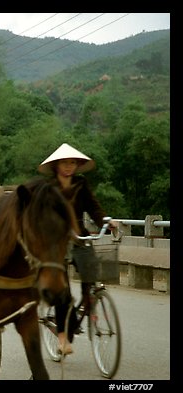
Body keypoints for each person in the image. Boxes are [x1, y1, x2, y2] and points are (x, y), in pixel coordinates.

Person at [38, 142, 118, 355]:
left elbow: (93, 207)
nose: (69, 167)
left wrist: (105, 222)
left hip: (79, 238)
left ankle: (86, 305)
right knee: (62, 289)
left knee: (90, 279)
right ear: (56, 165)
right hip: (57, 242)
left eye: (72, 163)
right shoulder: (48, 188)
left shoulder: (81, 184)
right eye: (65, 163)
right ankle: (63, 338)